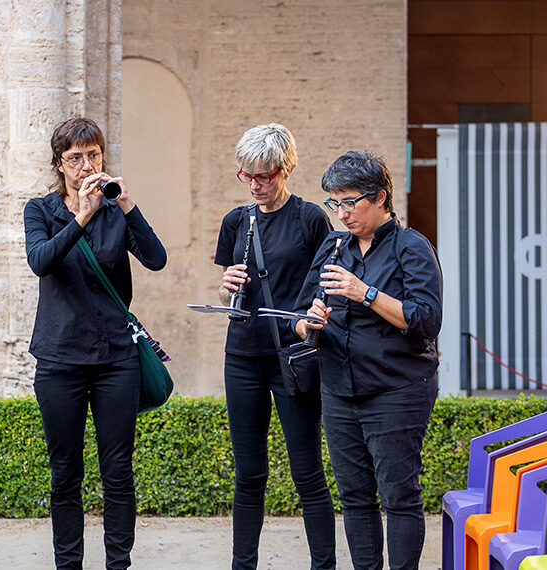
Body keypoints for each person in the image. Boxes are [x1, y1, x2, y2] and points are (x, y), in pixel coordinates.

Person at [23, 117, 167, 569]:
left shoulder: (114, 210)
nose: (86, 166)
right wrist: (81, 216)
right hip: (60, 356)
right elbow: (41, 262)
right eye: (76, 158)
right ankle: (69, 565)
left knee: (118, 472)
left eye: (94, 156)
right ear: (60, 165)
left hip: (115, 357)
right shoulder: (40, 210)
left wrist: (126, 205)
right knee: (65, 474)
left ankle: (118, 564)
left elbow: (157, 260)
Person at [294, 150, 442, 570]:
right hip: (338, 387)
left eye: (349, 202)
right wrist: (309, 321)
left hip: (397, 388)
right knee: (355, 497)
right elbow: (302, 312)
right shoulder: (333, 245)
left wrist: (365, 293)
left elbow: (426, 320)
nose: (340, 213)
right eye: (333, 203)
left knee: (399, 496)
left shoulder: (411, 246)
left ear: (379, 198)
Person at [214, 123, 336, 569]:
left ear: (285, 169)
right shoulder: (235, 221)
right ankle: (242, 564)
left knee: (307, 473)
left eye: (263, 175)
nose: (253, 184)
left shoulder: (310, 219)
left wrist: (313, 316)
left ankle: (324, 564)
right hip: (242, 357)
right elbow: (231, 286)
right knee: (249, 474)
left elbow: (326, 284)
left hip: (293, 357)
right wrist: (226, 285)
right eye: (245, 175)